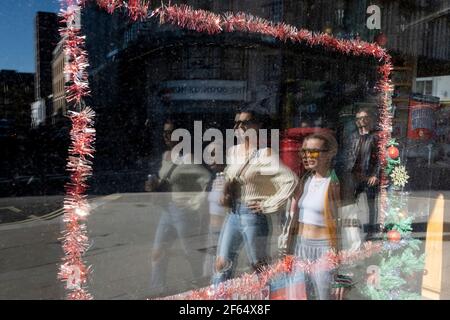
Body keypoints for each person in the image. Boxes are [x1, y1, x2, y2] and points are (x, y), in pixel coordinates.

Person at [212, 105, 298, 285]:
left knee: (259, 268)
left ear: (257, 126)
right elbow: (230, 176)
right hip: (233, 214)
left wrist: (268, 204)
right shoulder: (233, 151)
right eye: (236, 123)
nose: (239, 128)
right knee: (221, 264)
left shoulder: (264, 154)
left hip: (253, 216)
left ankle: (270, 297)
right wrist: (226, 190)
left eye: (245, 123)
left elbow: (291, 180)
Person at [149, 118, 212, 296]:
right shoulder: (165, 156)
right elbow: (168, 179)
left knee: (190, 252)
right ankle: (156, 290)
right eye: (164, 133)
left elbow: (207, 181)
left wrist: (193, 203)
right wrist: (155, 185)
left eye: (171, 132)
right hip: (166, 211)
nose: (166, 136)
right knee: (158, 251)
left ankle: (201, 285)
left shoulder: (188, 158)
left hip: (182, 212)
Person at [288, 132, 353, 300]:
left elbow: (350, 228)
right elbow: (294, 218)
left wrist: (345, 274)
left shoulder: (338, 183)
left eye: (313, 152)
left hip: (325, 249)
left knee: (324, 297)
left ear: (330, 153)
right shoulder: (305, 180)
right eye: (304, 152)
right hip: (300, 248)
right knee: (301, 296)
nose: (307, 156)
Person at [336, 107, 380, 238]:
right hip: (353, 175)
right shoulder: (353, 137)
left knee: (371, 204)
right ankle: (350, 229)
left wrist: (375, 175)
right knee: (350, 204)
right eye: (358, 119)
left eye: (363, 118)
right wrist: (345, 172)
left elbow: (379, 158)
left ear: (369, 119)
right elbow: (347, 155)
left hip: (368, 175)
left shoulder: (374, 137)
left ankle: (371, 230)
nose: (360, 121)